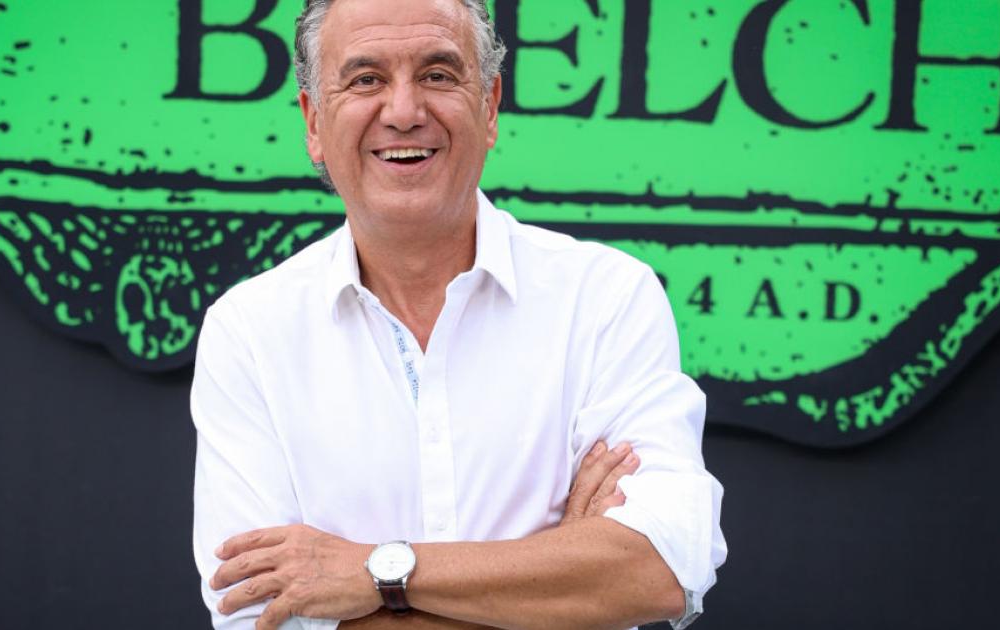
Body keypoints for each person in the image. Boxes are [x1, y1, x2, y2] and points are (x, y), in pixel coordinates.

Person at [190, 0, 727, 628]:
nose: (403, 111)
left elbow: (658, 569)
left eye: (438, 75)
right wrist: (556, 581)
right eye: (366, 79)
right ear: (313, 121)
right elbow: (257, 613)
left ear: (489, 106)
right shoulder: (250, 331)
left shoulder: (605, 298)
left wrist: (374, 575)